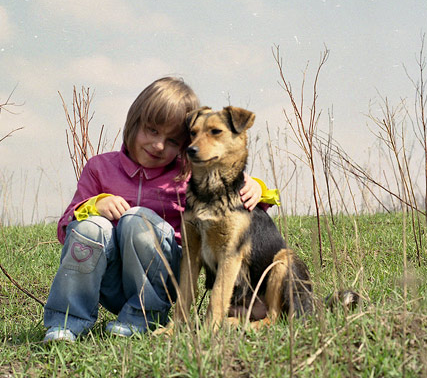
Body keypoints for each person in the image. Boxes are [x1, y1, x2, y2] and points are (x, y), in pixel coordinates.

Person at [43, 77, 279, 342]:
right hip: (108, 279)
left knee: (136, 219)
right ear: (134, 122)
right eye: (152, 131)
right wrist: (94, 204)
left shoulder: (190, 173)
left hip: (161, 281)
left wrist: (258, 187)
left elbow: (240, 208)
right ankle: (66, 322)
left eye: (172, 141)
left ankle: (143, 318)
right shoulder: (99, 168)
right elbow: (66, 228)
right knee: (88, 226)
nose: (158, 146)